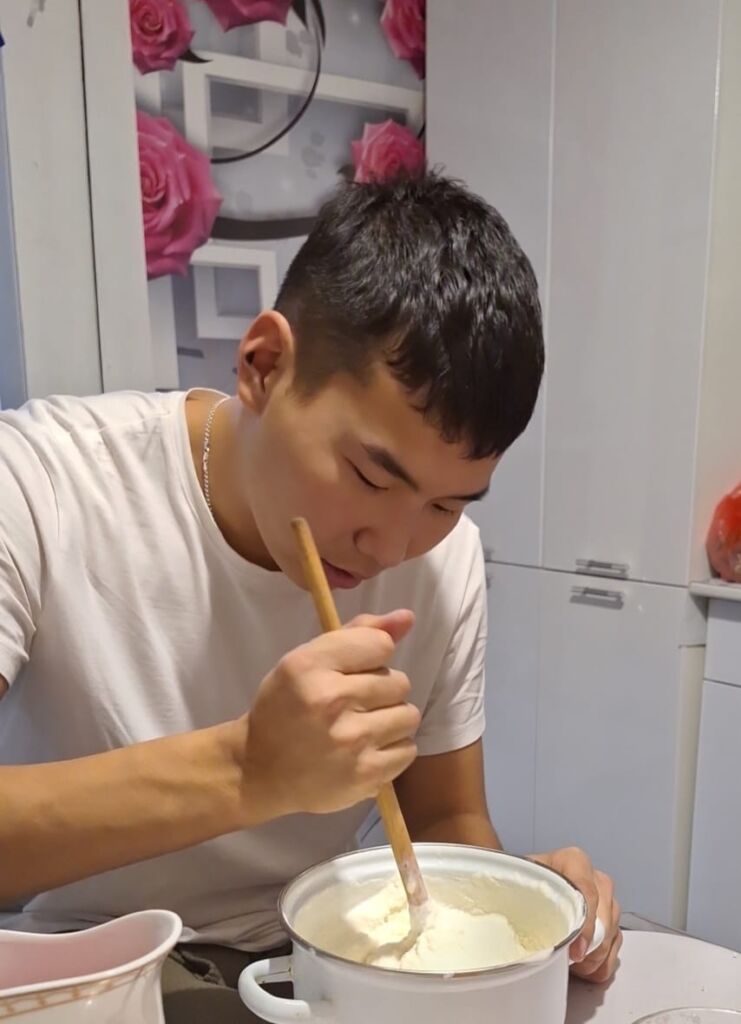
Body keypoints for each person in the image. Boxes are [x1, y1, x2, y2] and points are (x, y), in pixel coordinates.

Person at [0, 173, 621, 1021]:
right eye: (369, 476)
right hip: (90, 970)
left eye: (445, 504)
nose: (390, 547)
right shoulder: (41, 481)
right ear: (264, 366)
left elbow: (444, 816)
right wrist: (246, 770)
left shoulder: (444, 562)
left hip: (323, 963)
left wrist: (523, 905)